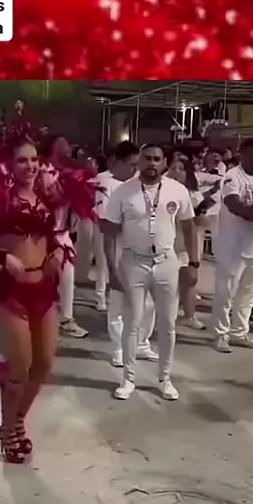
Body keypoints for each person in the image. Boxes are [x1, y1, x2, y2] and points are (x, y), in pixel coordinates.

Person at [0, 134, 96, 463]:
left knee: (44, 364)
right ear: (9, 164)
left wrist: (58, 253)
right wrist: (4, 257)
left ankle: (16, 419)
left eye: (34, 159)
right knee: (19, 370)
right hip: (12, 292)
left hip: (44, 288)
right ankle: (10, 429)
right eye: (22, 160)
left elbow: (57, 236)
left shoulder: (48, 198)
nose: (30, 165)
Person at [101, 144, 199, 401]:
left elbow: (189, 228)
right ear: (139, 161)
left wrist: (194, 263)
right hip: (133, 261)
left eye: (157, 159)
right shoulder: (123, 191)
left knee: (167, 324)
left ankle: (165, 378)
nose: (152, 163)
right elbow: (108, 233)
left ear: (164, 162)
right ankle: (128, 378)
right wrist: (112, 269)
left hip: (167, 262)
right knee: (132, 322)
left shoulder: (177, 190)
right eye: (147, 158)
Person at [210, 138, 253, 353]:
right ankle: (220, 334)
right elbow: (233, 204)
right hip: (233, 246)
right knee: (226, 293)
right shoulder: (232, 176)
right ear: (245, 155)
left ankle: (239, 333)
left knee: (249, 294)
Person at [96, 142, 158, 366]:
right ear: (118, 162)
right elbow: (105, 226)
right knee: (119, 303)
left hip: (146, 254)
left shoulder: (141, 186)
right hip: (121, 252)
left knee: (148, 303)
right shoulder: (107, 184)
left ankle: (142, 344)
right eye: (132, 164)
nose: (135, 169)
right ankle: (119, 348)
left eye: (137, 164)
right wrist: (112, 266)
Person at [44, 134, 88, 338]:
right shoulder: (43, 171)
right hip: (42, 234)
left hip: (63, 233)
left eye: (67, 145)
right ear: (52, 148)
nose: (67, 148)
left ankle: (66, 319)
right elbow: (48, 198)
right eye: (62, 144)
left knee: (67, 276)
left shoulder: (70, 172)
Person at [168, 157, 213, 330]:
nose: (176, 172)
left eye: (181, 169)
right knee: (167, 284)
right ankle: (164, 317)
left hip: (186, 243)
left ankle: (189, 316)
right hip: (167, 243)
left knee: (188, 280)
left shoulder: (193, 195)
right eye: (173, 168)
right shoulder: (160, 191)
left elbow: (202, 221)